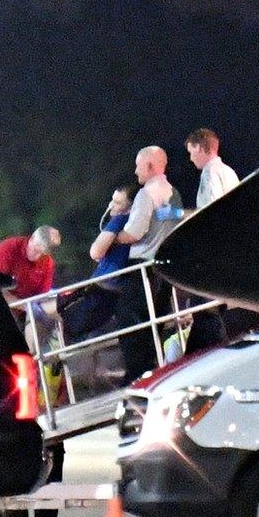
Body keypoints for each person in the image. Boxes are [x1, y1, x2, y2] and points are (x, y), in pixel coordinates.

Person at [0, 226, 73, 517]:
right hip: (0, 315)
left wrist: (39, 309)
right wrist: (27, 306)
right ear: (30, 241)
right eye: (35, 250)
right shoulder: (8, 250)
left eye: (42, 254)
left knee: (48, 320)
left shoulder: (45, 264)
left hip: (27, 320)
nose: (37, 257)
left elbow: (43, 298)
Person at [114, 146, 183, 385]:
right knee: (155, 322)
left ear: (151, 166)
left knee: (129, 320)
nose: (135, 171)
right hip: (164, 270)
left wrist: (114, 236)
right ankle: (152, 371)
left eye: (138, 165)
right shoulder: (172, 192)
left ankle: (136, 375)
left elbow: (135, 232)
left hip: (142, 267)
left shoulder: (146, 194)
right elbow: (170, 220)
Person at [58, 185, 136, 341]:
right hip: (119, 289)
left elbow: (95, 252)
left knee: (65, 319)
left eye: (118, 202)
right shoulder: (136, 222)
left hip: (104, 284)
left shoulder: (119, 220)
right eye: (112, 200)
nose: (112, 205)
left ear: (130, 206)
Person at [185, 128, 239, 209]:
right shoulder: (229, 171)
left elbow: (213, 207)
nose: (191, 158)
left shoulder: (209, 172)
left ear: (198, 148)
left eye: (190, 152)